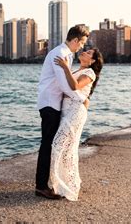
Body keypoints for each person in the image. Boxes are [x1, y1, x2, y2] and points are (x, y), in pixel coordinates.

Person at [35, 25, 90, 199]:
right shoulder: (60, 53)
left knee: (51, 144)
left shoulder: (67, 54)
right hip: (50, 103)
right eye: (81, 43)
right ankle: (41, 186)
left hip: (54, 103)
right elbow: (64, 84)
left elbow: (67, 82)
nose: (81, 47)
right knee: (47, 144)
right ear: (75, 40)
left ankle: (49, 183)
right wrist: (83, 99)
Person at [48, 48, 104, 201]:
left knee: (61, 145)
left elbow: (75, 87)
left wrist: (65, 66)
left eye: (88, 53)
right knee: (65, 148)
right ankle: (61, 185)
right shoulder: (77, 70)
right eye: (85, 51)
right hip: (66, 110)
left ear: (92, 61)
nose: (84, 52)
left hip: (75, 112)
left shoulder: (90, 73)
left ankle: (68, 186)